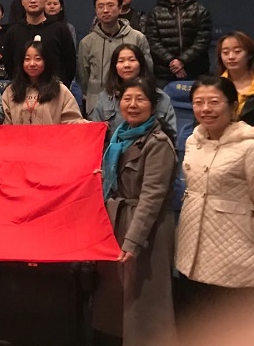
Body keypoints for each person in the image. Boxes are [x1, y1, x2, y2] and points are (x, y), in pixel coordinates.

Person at [92, 76, 178, 345]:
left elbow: (152, 197)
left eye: (140, 99)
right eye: (127, 99)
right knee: (117, 301)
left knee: (145, 303)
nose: (132, 104)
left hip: (146, 230)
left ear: (153, 105)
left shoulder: (158, 143)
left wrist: (133, 241)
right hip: (118, 222)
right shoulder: (119, 137)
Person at [176, 76, 254, 310]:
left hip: (235, 248)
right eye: (198, 102)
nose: (205, 109)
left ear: (232, 106)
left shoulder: (249, 145)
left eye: (214, 102)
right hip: (192, 245)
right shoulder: (193, 140)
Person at [78, 0, 152, 115]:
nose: (105, 10)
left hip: (132, 104)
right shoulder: (87, 42)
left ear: (120, 8)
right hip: (96, 105)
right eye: (100, 6)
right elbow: (84, 76)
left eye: (110, 5)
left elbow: (147, 71)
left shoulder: (137, 38)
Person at [89, 44, 177, 143]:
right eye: (121, 61)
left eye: (132, 60)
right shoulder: (105, 97)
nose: (127, 65)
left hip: (151, 149)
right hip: (113, 149)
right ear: (115, 66)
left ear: (141, 64)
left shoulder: (159, 97)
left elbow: (171, 136)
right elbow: (95, 136)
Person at [145, 0, 212, 84]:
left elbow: (203, 41)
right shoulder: (155, 13)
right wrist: (173, 62)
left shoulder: (200, 10)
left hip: (196, 70)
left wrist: (182, 61)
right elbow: (153, 42)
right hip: (165, 72)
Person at [3, 0, 77, 87]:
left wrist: (60, 88)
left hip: (54, 91)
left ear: (45, 0)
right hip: (22, 91)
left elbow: (69, 64)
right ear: (22, 2)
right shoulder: (13, 32)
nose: (33, 0)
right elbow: (9, 65)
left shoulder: (60, 30)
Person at [2, 40, 84, 125]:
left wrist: (92, 126)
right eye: (27, 59)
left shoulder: (60, 90)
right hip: (18, 134)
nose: (32, 64)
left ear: (46, 61)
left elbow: (73, 122)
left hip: (51, 134)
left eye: (38, 59)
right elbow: (5, 126)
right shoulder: (11, 91)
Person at [216, 31, 254, 125]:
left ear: (250, 54)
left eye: (237, 51)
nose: (231, 57)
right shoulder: (214, 86)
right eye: (225, 52)